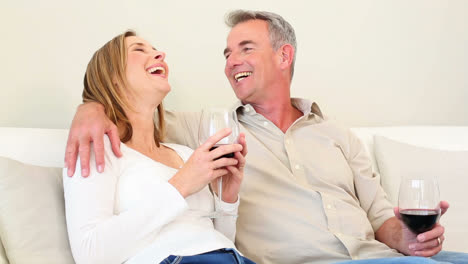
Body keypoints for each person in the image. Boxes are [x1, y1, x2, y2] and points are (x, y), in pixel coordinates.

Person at [64, 11, 468, 264]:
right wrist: (91, 106)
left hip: (376, 256)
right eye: (227, 54)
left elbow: (383, 219)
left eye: (245, 48)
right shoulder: (213, 130)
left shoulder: (338, 136)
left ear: (283, 56)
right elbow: (130, 115)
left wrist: (411, 239)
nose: (231, 61)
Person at [63, 30, 256, 264]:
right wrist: (182, 184)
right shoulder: (96, 147)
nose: (159, 54)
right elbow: (91, 254)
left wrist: (227, 198)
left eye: (155, 49)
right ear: (111, 76)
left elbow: (216, 240)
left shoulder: (184, 154)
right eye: (139, 49)